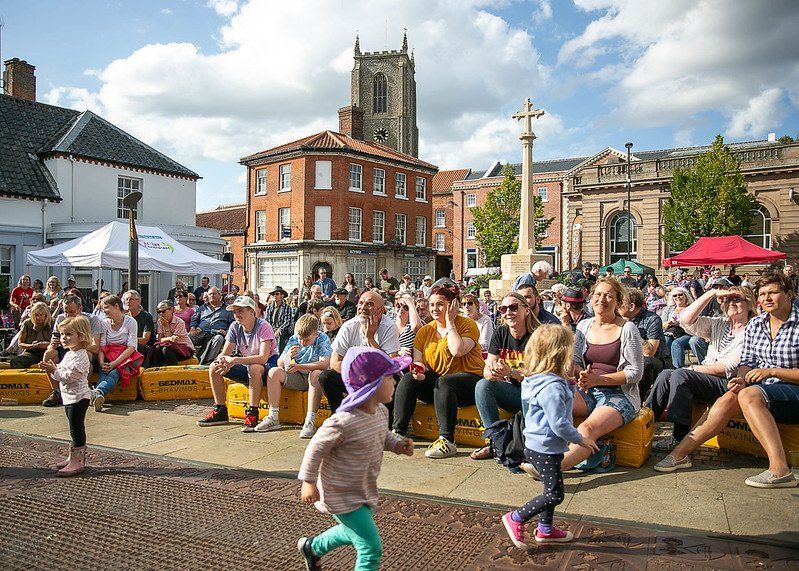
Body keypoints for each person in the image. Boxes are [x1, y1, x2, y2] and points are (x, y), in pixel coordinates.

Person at [655, 273, 799, 488]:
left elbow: (738, 367)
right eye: (762, 294)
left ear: (788, 295)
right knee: (730, 396)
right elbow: (747, 361)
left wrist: (772, 372)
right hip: (765, 389)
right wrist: (741, 379)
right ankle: (680, 453)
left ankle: (780, 469)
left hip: (792, 390)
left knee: (748, 394)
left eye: (773, 293)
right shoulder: (757, 324)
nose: (767, 298)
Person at [297, 348, 414, 571]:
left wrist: (397, 445)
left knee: (353, 531)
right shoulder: (343, 422)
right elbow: (315, 449)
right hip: (340, 492)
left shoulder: (381, 411)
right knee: (370, 547)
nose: (395, 382)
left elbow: (381, 435)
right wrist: (308, 481)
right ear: (373, 384)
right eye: (390, 377)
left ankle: (312, 548)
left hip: (361, 487)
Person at [528, 278, 642, 476]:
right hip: (587, 390)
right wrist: (579, 373)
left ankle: (553, 468)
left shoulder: (627, 328)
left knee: (588, 428)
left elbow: (635, 372)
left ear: (618, 301)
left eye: (608, 296)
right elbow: (576, 361)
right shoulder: (584, 326)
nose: (602, 299)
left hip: (619, 395)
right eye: (598, 294)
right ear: (591, 298)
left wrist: (599, 380)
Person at [501, 325, 598, 549]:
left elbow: (562, 404)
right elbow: (559, 423)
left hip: (539, 444)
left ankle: (545, 529)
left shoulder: (538, 379)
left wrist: (570, 383)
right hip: (545, 446)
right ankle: (516, 517)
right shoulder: (552, 387)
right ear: (560, 354)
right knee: (555, 495)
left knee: (550, 488)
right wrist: (580, 439)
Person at [648, 285, 754, 453]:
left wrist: (692, 368)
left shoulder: (752, 330)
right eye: (727, 299)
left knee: (681, 374)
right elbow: (686, 320)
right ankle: (645, 423)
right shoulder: (720, 323)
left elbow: (727, 367)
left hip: (729, 383)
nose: (731, 303)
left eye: (737, 299)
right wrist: (711, 293)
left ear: (749, 304)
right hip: (707, 376)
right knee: (665, 374)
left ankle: (679, 437)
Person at [393, 284, 486, 459]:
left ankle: (447, 441)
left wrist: (450, 322)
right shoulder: (425, 331)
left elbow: (457, 350)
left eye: (440, 304)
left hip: (470, 382)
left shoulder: (468, 325)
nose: (435, 309)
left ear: (452, 305)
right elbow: (419, 362)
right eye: (432, 305)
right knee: (409, 379)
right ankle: (398, 432)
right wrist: (419, 372)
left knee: (445, 382)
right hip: (440, 385)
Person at [472, 292, 540, 460]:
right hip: (513, 392)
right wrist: (493, 372)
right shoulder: (501, 333)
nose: (508, 312)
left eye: (513, 307)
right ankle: (494, 442)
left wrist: (511, 372)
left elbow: (541, 377)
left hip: (536, 394)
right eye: (503, 309)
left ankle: (531, 448)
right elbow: (487, 369)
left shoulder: (538, 336)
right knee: (483, 385)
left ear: (526, 310)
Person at [196, 296, 278, 432]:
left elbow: (263, 358)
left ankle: (252, 412)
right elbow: (225, 352)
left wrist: (234, 360)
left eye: (240, 311)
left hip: (268, 367)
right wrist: (221, 361)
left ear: (252, 311)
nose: (236, 315)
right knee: (214, 367)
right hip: (247, 364)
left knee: (255, 368)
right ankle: (220, 410)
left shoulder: (264, 326)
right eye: (235, 312)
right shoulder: (235, 326)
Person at [320, 290, 400, 414]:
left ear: (380, 310)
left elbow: (391, 364)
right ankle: (342, 417)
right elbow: (334, 362)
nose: (363, 307)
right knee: (326, 377)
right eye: (361, 303)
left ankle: (386, 423)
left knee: (391, 378)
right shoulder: (348, 326)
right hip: (354, 377)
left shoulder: (389, 327)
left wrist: (370, 339)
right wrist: (357, 375)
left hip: (378, 378)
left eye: (369, 304)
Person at [38, 315, 93, 477]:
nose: (64, 338)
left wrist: (54, 370)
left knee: (76, 428)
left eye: (69, 334)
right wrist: (52, 368)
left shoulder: (81, 355)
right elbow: (61, 372)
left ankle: (78, 460)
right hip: (69, 396)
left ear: (81, 336)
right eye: (62, 334)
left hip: (79, 397)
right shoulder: (70, 353)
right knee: (72, 427)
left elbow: (70, 376)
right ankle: (73, 456)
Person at [260, 314, 332, 438]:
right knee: (273, 372)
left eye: (307, 340)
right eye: (300, 339)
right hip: (298, 376)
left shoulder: (322, 338)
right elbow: (280, 363)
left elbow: (324, 364)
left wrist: (300, 366)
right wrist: (287, 356)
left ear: (315, 334)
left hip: (314, 379)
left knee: (316, 373)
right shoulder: (294, 339)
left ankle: (310, 421)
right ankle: (273, 416)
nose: (302, 342)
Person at [41, 295, 102, 407]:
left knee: (86, 356)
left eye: (72, 312)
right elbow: (52, 345)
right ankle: (56, 392)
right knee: (48, 354)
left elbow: (95, 347)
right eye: (65, 312)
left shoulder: (92, 320)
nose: (68, 315)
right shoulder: (60, 319)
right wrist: (52, 345)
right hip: (65, 349)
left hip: (82, 350)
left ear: (80, 308)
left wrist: (77, 344)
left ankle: (83, 392)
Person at [94, 295, 143, 412]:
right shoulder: (104, 323)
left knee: (115, 372)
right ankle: (98, 394)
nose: (104, 311)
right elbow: (102, 346)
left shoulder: (131, 322)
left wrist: (115, 363)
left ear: (116, 306)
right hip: (108, 355)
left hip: (126, 357)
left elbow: (132, 347)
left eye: (106, 307)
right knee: (104, 370)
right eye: (103, 308)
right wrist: (102, 363)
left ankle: (98, 392)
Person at [621, 289, 670, 398]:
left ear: (631, 306)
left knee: (644, 362)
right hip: (629, 358)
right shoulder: (617, 319)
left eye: (620, 304)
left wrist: (630, 329)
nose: (616, 306)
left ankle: (637, 398)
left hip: (658, 361)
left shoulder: (652, 319)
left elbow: (649, 352)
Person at [662, 287, 708, 368]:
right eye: (675, 295)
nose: (677, 297)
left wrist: (681, 323)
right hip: (672, 332)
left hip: (688, 333)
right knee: (665, 341)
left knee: (676, 343)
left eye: (680, 295)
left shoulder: (692, 308)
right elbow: (662, 325)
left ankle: (678, 369)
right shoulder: (668, 309)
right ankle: (667, 367)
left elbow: (697, 324)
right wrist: (669, 322)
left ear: (686, 296)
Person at [189, 287, 234, 365]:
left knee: (219, 339)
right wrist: (193, 328)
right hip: (201, 333)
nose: (212, 296)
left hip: (216, 334)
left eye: (214, 294)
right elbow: (194, 320)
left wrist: (226, 332)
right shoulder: (202, 308)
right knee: (188, 336)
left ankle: (207, 362)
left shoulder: (227, 309)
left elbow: (232, 324)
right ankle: (189, 359)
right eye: (210, 294)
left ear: (220, 296)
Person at [145, 300, 195, 367]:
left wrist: (166, 327)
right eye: (159, 312)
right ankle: (157, 370)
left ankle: (174, 371)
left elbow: (173, 341)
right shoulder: (160, 321)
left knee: (166, 350)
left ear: (171, 310)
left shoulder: (179, 322)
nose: (161, 314)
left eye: (163, 311)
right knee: (157, 349)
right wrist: (169, 338)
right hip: (169, 346)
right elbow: (160, 340)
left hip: (184, 348)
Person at [10, 301, 52, 369]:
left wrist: (48, 344)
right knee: (16, 361)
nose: (38, 318)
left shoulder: (52, 322)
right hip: (32, 352)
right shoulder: (27, 323)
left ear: (46, 315)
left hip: (50, 351)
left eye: (41, 315)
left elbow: (60, 342)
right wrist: (33, 345)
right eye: (36, 315)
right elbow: (20, 343)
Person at [265, 286, 294, 353]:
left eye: (277, 294)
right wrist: (271, 330)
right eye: (274, 294)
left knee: (280, 336)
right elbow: (267, 320)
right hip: (271, 329)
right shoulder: (269, 308)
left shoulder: (287, 308)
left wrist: (279, 330)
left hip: (283, 331)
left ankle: (279, 355)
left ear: (282, 296)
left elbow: (287, 321)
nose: (275, 296)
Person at [394, 293, 423, 358]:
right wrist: (398, 351)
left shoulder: (415, 323)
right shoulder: (391, 322)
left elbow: (416, 327)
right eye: (398, 305)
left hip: (410, 362)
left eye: (406, 307)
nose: (401, 309)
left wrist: (411, 304)